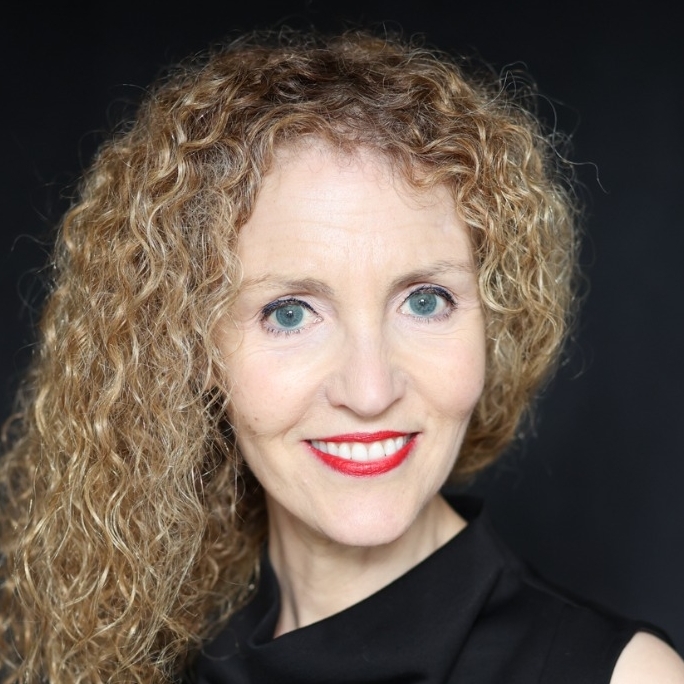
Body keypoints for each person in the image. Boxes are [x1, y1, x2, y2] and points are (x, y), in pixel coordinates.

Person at [1, 29, 682, 684]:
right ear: (191, 348)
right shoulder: (150, 663)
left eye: (425, 301)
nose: (369, 389)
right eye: (290, 313)